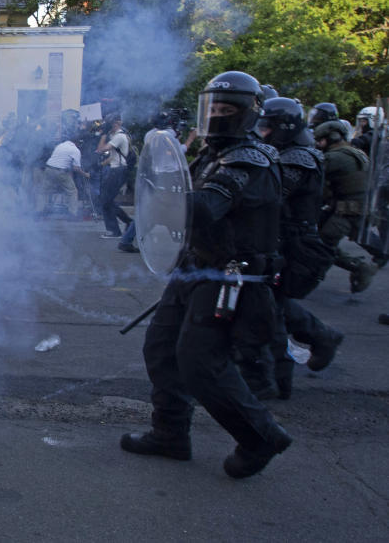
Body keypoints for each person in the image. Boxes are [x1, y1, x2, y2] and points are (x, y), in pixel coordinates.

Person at [121, 71, 292, 479]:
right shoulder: (212, 155)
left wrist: (157, 198)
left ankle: (260, 435)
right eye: (212, 107)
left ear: (248, 113)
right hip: (195, 268)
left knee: (201, 362)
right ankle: (170, 434)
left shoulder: (249, 159)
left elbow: (204, 208)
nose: (216, 115)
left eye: (227, 109)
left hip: (230, 278)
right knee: (161, 349)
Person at [236, 97, 344, 400]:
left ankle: (277, 379)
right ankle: (320, 337)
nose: (262, 133)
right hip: (279, 239)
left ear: (284, 126)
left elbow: (269, 195)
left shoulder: (299, 158)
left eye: (267, 127)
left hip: (293, 244)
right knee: (271, 304)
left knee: (268, 307)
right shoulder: (292, 152)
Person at [311, 119, 379, 292]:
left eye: (320, 140)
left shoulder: (335, 157)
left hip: (349, 208)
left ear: (331, 137)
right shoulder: (354, 152)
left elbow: (313, 179)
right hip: (358, 206)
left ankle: (360, 267)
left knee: (323, 243)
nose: (318, 144)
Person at [97, 115, 133, 239]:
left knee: (106, 200)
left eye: (110, 124)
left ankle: (115, 231)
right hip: (116, 170)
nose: (108, 126)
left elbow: (100, 149)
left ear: (117, 123)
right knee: (107, 201)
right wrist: (101, 164)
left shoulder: (119, 136)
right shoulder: (115, 136)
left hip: (118, 171)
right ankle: (128, 222)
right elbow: (113, 157)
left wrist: (103, 135)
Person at [37, 134, 88, 218]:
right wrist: (85, 174)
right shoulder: (75, 150)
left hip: (49, 169)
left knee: (42, 191)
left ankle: (39, 212)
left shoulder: (60, 145)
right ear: (77, 142)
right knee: (72, 192)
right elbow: (76, 168)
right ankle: (72, 214)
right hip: (61, 172)